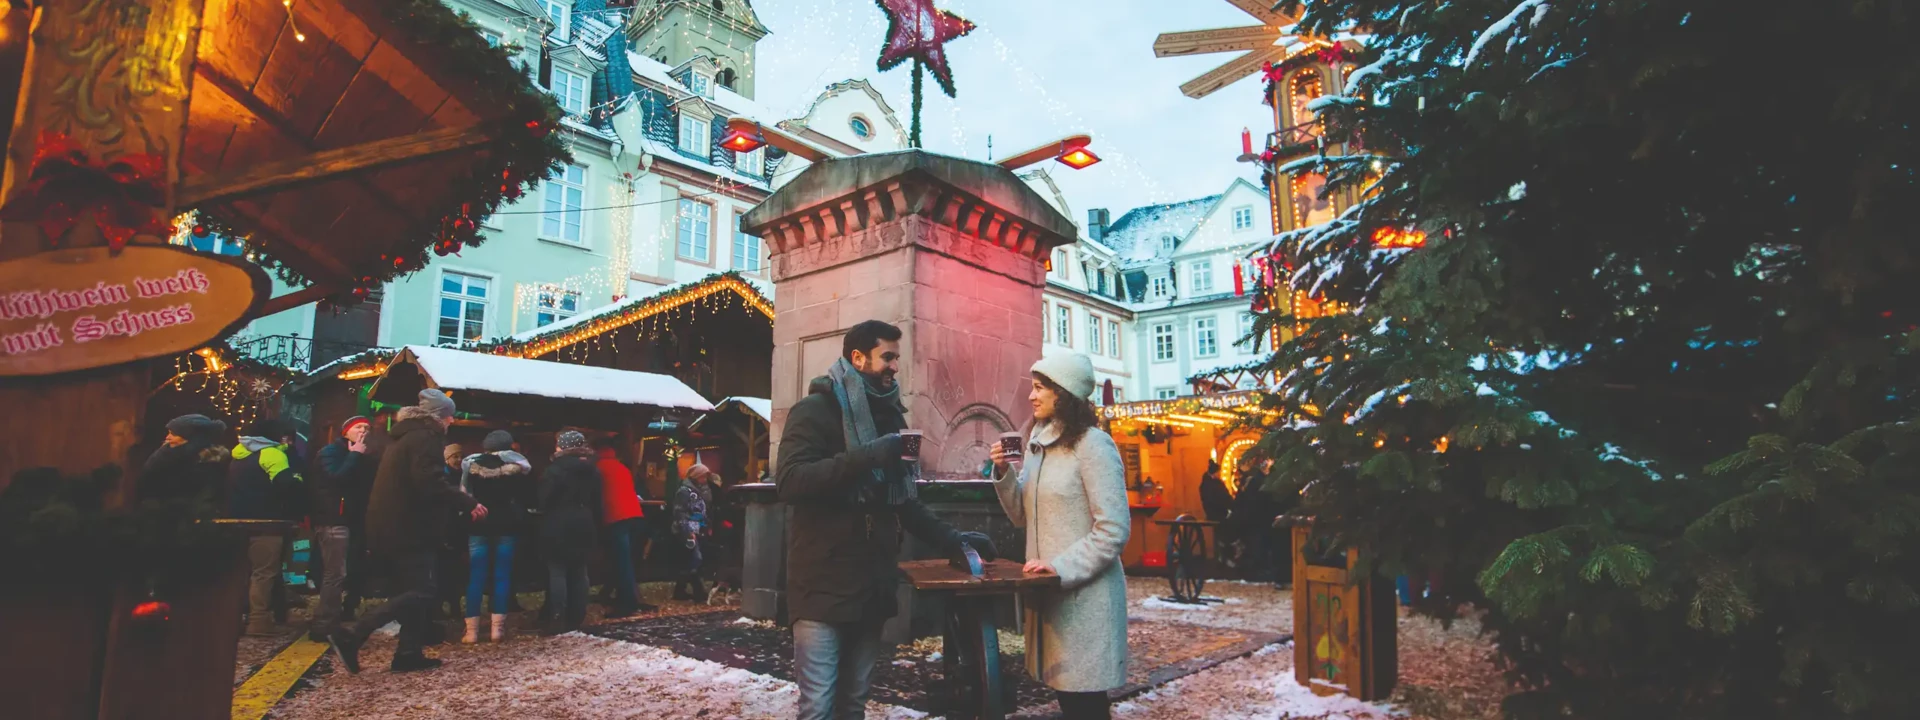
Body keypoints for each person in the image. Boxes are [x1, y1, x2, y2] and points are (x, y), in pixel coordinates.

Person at [776, 319, 997, 720]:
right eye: (887, 357)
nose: (895, 366)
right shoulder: (814, 410)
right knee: (818, 707)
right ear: (857, 358)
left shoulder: (889, 417)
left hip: (871, 587)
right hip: (821, 587)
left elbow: (903, 502)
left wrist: (952, 540)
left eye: (898, 357)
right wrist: (871, 455)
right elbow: (791, 482)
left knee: (853, 704)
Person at [990, 354, 1130, 720]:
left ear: (1063, 393)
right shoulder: (1039, 443)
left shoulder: (1094, 445)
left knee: (1085, 704)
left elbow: (1113, 529)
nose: (1031, 396)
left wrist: (1059, 567)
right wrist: (1003, 473)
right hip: (1050, 594)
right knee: (1071, 701)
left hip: (1085, 598)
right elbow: (1021, 516)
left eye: (1039, 388)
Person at [330, 389, 486, 674]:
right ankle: (353, 634)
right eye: (449, 415)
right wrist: (466, 501)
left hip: (391, 524)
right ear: (439, 416)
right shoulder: (425, 438)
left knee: (411, 590)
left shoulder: (404, 437)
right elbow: (428, 482)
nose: (452, 420)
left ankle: (408, 653)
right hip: (410, 527)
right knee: (423, 590)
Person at [229, 418, 305, 637]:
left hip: (237, 522)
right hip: (267, 522)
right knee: (263, 574)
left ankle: (234, 619)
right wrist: (297, 481)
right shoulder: (271, 454)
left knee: (241, 574)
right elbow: (286, 485)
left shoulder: (237, 454)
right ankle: (258, 621)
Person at [460, 430, 533, 643]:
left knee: (476, 576)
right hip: (507, 525)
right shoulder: (519, 468)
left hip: (479, 524)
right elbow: (524, 496)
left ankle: (471, 631)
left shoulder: (470, 466)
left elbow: (464, 493)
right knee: (502, 575)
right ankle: (497, 629)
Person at [309, 416, 374, 641]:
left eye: (366, 428)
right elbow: (335, 478)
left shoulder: (360, 455)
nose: (363, 431)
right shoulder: (330, 452)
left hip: (350, 520)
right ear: (346, 431)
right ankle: (324, 624)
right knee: (334, 573)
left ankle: (335, 618)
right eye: (358, 427)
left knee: (343, 571)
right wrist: (355, 455)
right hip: (333, 518)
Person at [538, 430, 603, 634]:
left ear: (562, 447)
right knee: (579, 570)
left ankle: (557, 616)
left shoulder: (554, 470)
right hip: (584, 521)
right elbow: (597, 499)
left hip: (559, 521)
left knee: (557, 570)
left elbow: (544, 499)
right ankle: (577, 616)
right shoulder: (592, 469)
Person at [595, 436, 656, 616]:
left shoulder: (597, 468)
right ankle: (624, 596)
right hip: (635, 516)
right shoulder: (621, 467)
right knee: (626, 561)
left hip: (614, 518)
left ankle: (626, 604)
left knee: (620, 562)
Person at [137, 414, 229, 506]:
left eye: (173, 434)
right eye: (168, 432)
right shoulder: (163, 458)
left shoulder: (207, 464)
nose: (167, 437)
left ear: (192, 439)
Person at [436, 442, 470, 622]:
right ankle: (439, 605)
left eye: (460, 456)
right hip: (447, 527)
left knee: (457, 570)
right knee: (444, 569)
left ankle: (455, 604)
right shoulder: (443, 478)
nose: (458, 460)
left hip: (459, 527)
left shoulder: (464, 476)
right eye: (454, 456)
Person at [673, 463, 715, 601]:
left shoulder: (701, 490)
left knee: (689, 560)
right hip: (688, 529)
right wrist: (687, 531)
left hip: (699, 528)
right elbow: (680, 513)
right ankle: (699, 591)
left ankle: (680, 591)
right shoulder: (684, 492)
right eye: (703, 476)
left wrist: (706, 526)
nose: (705, 479)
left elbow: (703, 510)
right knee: (696, 559)